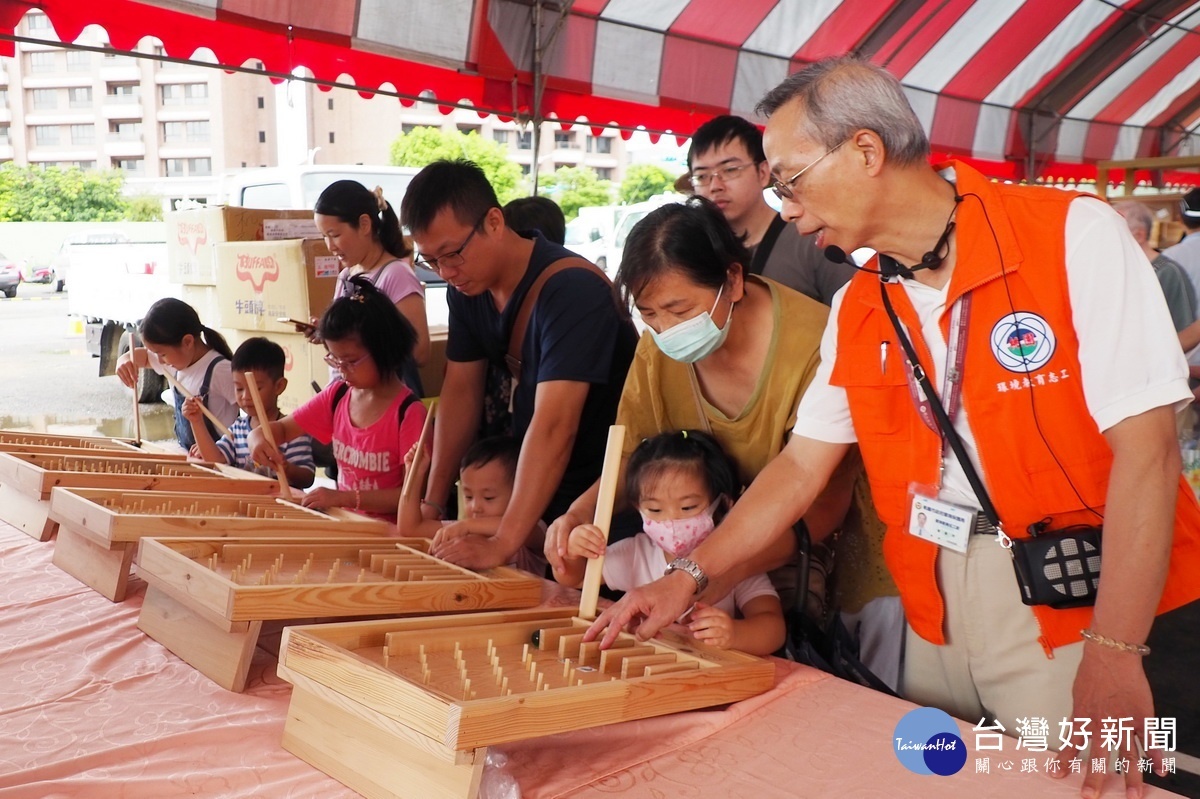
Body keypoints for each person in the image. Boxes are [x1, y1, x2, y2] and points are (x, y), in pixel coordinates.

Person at [585, 57, 1200, 798]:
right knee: (937, 780)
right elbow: (799, 467)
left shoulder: (1071, 236)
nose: (783, 208)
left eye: (788, 179)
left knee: (1069, 785)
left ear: (866, 151)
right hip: (928, 599)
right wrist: (688, 576)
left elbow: (1149, 453)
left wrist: (1114, 647)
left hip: (1060, 598)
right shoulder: (863, 306)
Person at [545, 196, 900, 685]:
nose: (665, 331)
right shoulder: (658, 350)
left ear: (732, 280)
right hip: (709, 570)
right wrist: (581, 517)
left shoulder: (817, 343)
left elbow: (821, 504)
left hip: (826, 567)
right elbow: (630, 456)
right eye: (649, 314)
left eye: (679, 309)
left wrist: (701, 578)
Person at [400, 159, 638, 569]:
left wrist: (503, 542)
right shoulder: (467, 289)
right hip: (535, 492)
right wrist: (433, 502)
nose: (447, 272)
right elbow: (461, 390)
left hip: (604, 500)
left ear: (494, 221)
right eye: (431, 261)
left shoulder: (571, 291)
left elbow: (555, 425)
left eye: (452, 254)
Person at [556, 430, 784, 657]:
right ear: (638, 508)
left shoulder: (736, 562)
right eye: (655, 510)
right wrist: (574, 551)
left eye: (688, 507)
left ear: (723, 503)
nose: (671, 521)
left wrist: (735, 634)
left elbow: (774, 628)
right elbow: (576, 578)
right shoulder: (636, 554)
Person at [249, 276, 426, 522]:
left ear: (384, 350)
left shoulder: (408, 413)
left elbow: (411, 495)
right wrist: (257, 437)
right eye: (335, 359)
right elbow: (280, 430)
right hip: (343, 521)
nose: (342, 370)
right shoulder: (338, 395)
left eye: (351, 361)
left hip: (385, 532)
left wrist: (343, 497)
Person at [684, 114, 855, 304]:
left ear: (763, 172)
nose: (715, 185)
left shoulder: (815, 242)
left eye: (730, 170)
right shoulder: (693, 252)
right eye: (701, 176)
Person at [308, 179, 429, 396]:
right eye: (324, 237)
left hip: (383, 404)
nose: (330, 246)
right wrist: (327, 335)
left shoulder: (397, 274)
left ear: (364, 224)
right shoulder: (347, 275)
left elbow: (419, 352)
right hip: (350, 401)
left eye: (335, 235)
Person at [398, 435, 546, 575]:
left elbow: (525, 529)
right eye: (468, 496)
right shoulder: (464, 528)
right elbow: (410, 527)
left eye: (488, 498)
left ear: (520, 494)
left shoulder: (531, 528)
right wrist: (414, 474)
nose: (475, 506)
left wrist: (466, 526)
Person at [185, 336, 315, 488]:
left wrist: (286, 468)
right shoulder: (238, 428)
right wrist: (196, 421)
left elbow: (307, 479)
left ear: (279, 386)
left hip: (281, 506)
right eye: (239, 388)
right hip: (247, 504)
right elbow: (215, 459)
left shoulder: (292, 431)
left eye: (256, 388)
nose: (245, 396)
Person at [114, 297, 238, 452]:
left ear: (187, 342)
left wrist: (223, 448)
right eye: (156, 354)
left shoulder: (220, 370)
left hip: (221, 463)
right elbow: (145, 357)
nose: (159, 360)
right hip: (190, 456)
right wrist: (124, 359)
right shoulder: (175, 361)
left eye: (162, 354)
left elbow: (255, 414)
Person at [1114, 201, 1196, 332]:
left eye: (1116, 233)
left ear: (1139, 235)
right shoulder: (1116, 271)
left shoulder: (1167, 272)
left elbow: (1185, 330)